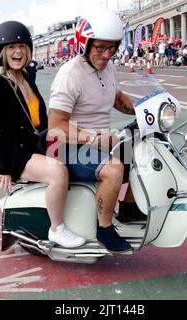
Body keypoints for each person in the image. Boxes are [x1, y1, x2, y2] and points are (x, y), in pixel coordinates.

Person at [48, 9, 146, 254]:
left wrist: (145, 110)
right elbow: (55, 126)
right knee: (113, 170)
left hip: (101, 141)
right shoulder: (70, 75)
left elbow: (116, 98)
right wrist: (91, 137)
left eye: (112, 48)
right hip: (67, 148)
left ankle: (130, 207)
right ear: (85, 43)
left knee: (146, 150)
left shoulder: (107, 67)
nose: (106, 54)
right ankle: (104, 229)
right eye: (100, 48)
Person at [0, 21, 85, 249]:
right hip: (19, 152)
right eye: (11, 47)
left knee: (85, 157)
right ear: (2, 52)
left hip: (38, 143)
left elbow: (41, 119)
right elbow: (3, 129)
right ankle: (57, 229)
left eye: (21, 46)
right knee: (58, 172)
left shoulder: (26, 77)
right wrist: (5, 168)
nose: (17, 52)